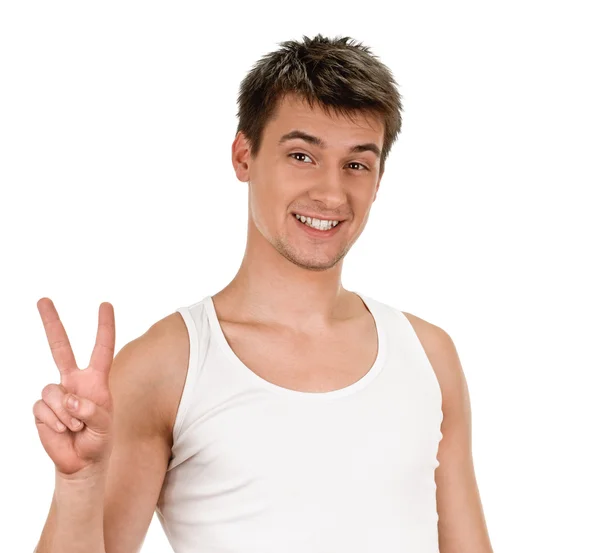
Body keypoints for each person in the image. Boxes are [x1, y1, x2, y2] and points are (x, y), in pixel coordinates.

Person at [33, 34, 494, 553]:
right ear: (243, 155)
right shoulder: (168, 365)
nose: (331, 193)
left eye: (357, 164)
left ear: (379, 177)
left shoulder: (428, 354)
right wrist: (78, 485)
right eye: (302, 155)